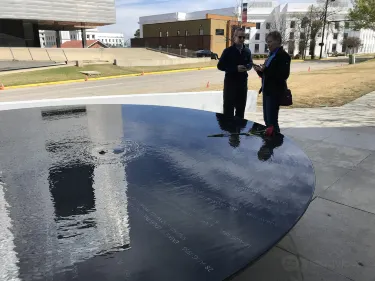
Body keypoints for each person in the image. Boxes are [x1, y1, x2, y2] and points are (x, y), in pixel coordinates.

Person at [253, 31, 291, 135]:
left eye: (270, 42)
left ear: (278, 41)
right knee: (267, 120)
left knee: (272, 121)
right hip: (267, 91)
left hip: (274, 92)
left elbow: (284, 75)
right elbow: (267, 75)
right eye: (267, 42)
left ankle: (276, 142)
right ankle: (271, 141)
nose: (268, 44)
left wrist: (265, 70)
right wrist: (260, 71)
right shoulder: (271, 56)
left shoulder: (283, 56)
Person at [217, 28, 253, 119]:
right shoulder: (228, 51)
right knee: (228, 111)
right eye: (240, 37)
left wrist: (247, 67)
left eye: (244, 37)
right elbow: (220, 66)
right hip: (230, 85)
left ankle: (238, 132)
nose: (242, 39)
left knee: (240, 111)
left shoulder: (247, 51)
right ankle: (229, 132)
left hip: (242, 85)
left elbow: (250, 64)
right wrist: (235, 68)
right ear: (234, 37)